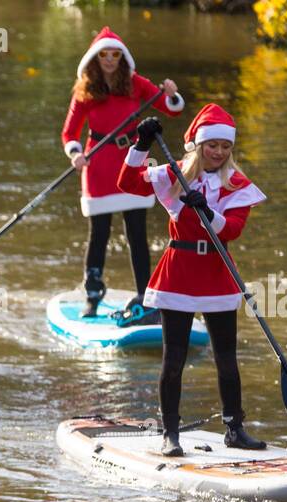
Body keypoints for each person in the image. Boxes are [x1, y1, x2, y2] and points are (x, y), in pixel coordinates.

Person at [117, 105, 268, 457]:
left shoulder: (237, 183)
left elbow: (233, 229)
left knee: (226, 357)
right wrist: (141, 145)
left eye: (225, 147)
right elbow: (126, 183)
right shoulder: (174, 175)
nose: (218, 152)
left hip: (217, 269)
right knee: (174, 359)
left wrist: (208, 212)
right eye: (211, 145)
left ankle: (235, 428)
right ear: (198, 145)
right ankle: (170, 433)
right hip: (179, 269)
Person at [60, 26, 184, 318]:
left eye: (115, 54)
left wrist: (171, 94)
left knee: (137, 234)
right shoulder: (84, 90)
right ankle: (92, 296)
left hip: (131, 162)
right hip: (98, 165)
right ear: (95, 57)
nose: (110, 59)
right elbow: (69, 133)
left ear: (122, 57)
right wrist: (76, 154)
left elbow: (171, 108)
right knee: (99, 234)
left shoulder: (134, 82)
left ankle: (146, 296)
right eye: (104, 54)